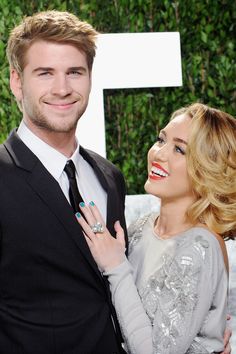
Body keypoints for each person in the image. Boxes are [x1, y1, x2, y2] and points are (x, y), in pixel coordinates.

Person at [0, 10, 128, 353]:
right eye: (45, 73)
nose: (62, 88)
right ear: (16, 81)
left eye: (74, 72)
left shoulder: (109, 177)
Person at [76, 103, 236, 353]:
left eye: (180, 149)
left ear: (207, 169)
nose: (159, 154)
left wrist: (116, 267)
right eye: (161, 140)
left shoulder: (200, 246)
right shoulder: (140, 228)